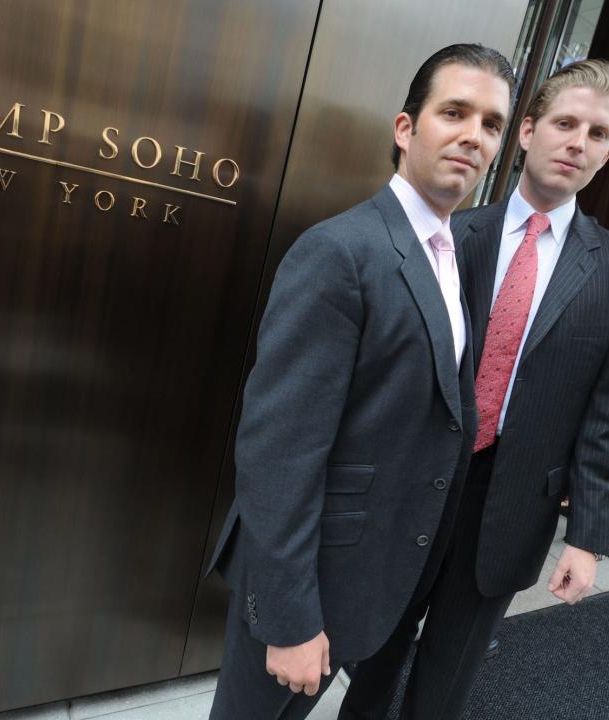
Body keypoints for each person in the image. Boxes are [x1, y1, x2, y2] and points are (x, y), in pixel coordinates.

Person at [204, 44, 514, 720]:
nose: (473, 135)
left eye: (491, 123)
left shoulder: (446, 253)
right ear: (405, 129)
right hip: (305, 579)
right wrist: (288, 619)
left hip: (369, 576)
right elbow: (278, 450)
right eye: (454, 112)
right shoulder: (341, 251)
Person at [344, 59, 609, 720]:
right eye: (565, 123)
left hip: (512, 505)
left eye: (598, 134)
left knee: (445, 680)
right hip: (413, 483)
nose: (578, 142)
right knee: (374, 660)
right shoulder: (450, 231)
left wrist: (588, 535)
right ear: (527, 131)